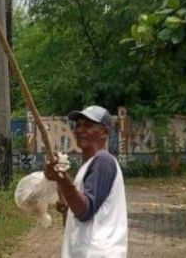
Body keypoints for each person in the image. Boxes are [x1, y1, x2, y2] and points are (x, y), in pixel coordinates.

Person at [44, 105, 128, 258]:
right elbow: (83, 206)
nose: (79, 130)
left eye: (88, 126)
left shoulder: (103, 161)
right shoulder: (89, 164)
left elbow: (85, 211)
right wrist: (67, 206)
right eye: (78, 125)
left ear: (105, 132)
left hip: (97, 252)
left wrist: (62, 178)